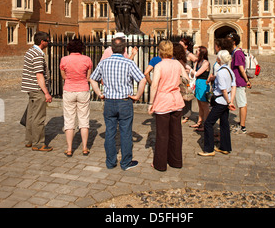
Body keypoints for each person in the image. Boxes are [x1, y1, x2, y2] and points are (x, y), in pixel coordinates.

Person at [90, 36, 147, 170]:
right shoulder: (129, 63)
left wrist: (99, 93)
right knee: (125, 132)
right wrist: (137, 95)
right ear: (124, 49)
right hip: (124, 101)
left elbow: (93, 79)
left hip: (109, 101)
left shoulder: (104, 63)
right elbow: (142, 80)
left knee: (110, 132)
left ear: (111, 48)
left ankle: (110, 162)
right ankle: (126, 162)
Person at [148, 40, 185, 172]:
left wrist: (151, 103)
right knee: (176, 133)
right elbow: (185, 78)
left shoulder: (160, 65)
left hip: (163, 100)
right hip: (176, 100)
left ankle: (160, 163)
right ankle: (176, 161)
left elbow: (154, 85)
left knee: (162, 134)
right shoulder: (177, 64)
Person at [198, 50, 236, 157]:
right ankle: (225, 147)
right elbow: (233, 87)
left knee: (209, 123)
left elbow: (223, 90)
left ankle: (209, 149)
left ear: (219, 59)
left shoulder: (220, 72)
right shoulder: (230, 71)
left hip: (220, 101)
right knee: (224, 123)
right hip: (226, 101)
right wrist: (231, 101)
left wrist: (228, 102)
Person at [59, 38, 93, 157]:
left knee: (69, 120)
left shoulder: (64, 59)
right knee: (84, 119)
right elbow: (88, 76)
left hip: (69, 89)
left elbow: (63, 76)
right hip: (83, 89)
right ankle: (84, 147)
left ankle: (69, 149)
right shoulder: (87, 59)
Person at [21, 31, 53, 152]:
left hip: (30, 88)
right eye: (47, 41)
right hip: (37, 88)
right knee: (39, 117)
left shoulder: (30, 51)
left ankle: (29, 140)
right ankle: (38, 143)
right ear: (42, 42)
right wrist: (46, 92)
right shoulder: (38, 54)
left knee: (31, 115)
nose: (48, 43)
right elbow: (39, 75)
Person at [227, 33, 251, 134]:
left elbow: (241, 69)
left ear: (234, 41)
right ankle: (241, 123)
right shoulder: (234, 52)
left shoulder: (237, 53)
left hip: (239, 83)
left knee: (242, 104)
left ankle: (243, 126)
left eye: (229, 40)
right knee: (240, 103)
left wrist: (247, 81)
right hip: (235, 82)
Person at [190, 46, 210, 130]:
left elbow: (197, 73)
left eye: (197, 51)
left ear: (202, 52)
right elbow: (193, 74)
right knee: (199, 105)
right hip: (197, 84)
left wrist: (189, 69)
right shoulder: (198, 62)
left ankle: (206, 124)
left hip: (203, 84)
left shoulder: (206, 63)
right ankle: (199, 122)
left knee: (204, 106)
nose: (196, 52)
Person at [172, 42, 193, 123]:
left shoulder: (178, 61)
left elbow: (183, 75)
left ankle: (184, 115)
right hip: (180, 83)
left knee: (183, 100)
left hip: (180, 83)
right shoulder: (180, 59)